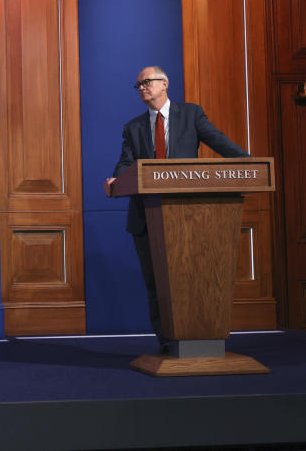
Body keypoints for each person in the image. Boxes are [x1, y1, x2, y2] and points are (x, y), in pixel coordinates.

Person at [104, 66, 248, 354]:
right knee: (156, 285)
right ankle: (167, 342)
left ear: (164, 83)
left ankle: (199, 340)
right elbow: (126, 162)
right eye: (139, 85)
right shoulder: (133, 127)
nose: (142, 87)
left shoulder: (191, 114)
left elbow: (218, 141)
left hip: (190, 217)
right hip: (147, 218)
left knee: (192, 280)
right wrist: (116, 179)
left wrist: (248, 163)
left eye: (147, 82)